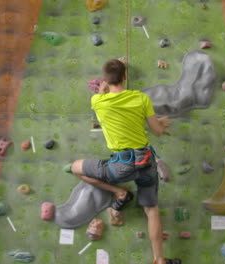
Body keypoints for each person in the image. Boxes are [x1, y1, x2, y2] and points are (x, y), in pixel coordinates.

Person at [71, 59, 181, 264]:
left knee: (75, 167)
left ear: (106, 79)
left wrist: (110, 77)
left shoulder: (97, 102)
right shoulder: (141, 98)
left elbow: (103, 90)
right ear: (125, 77)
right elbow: (157, 131)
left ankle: (119, 193)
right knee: (151, 209)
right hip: (146, 161)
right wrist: (162, 124)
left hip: (120, 166)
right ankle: (159, 259)